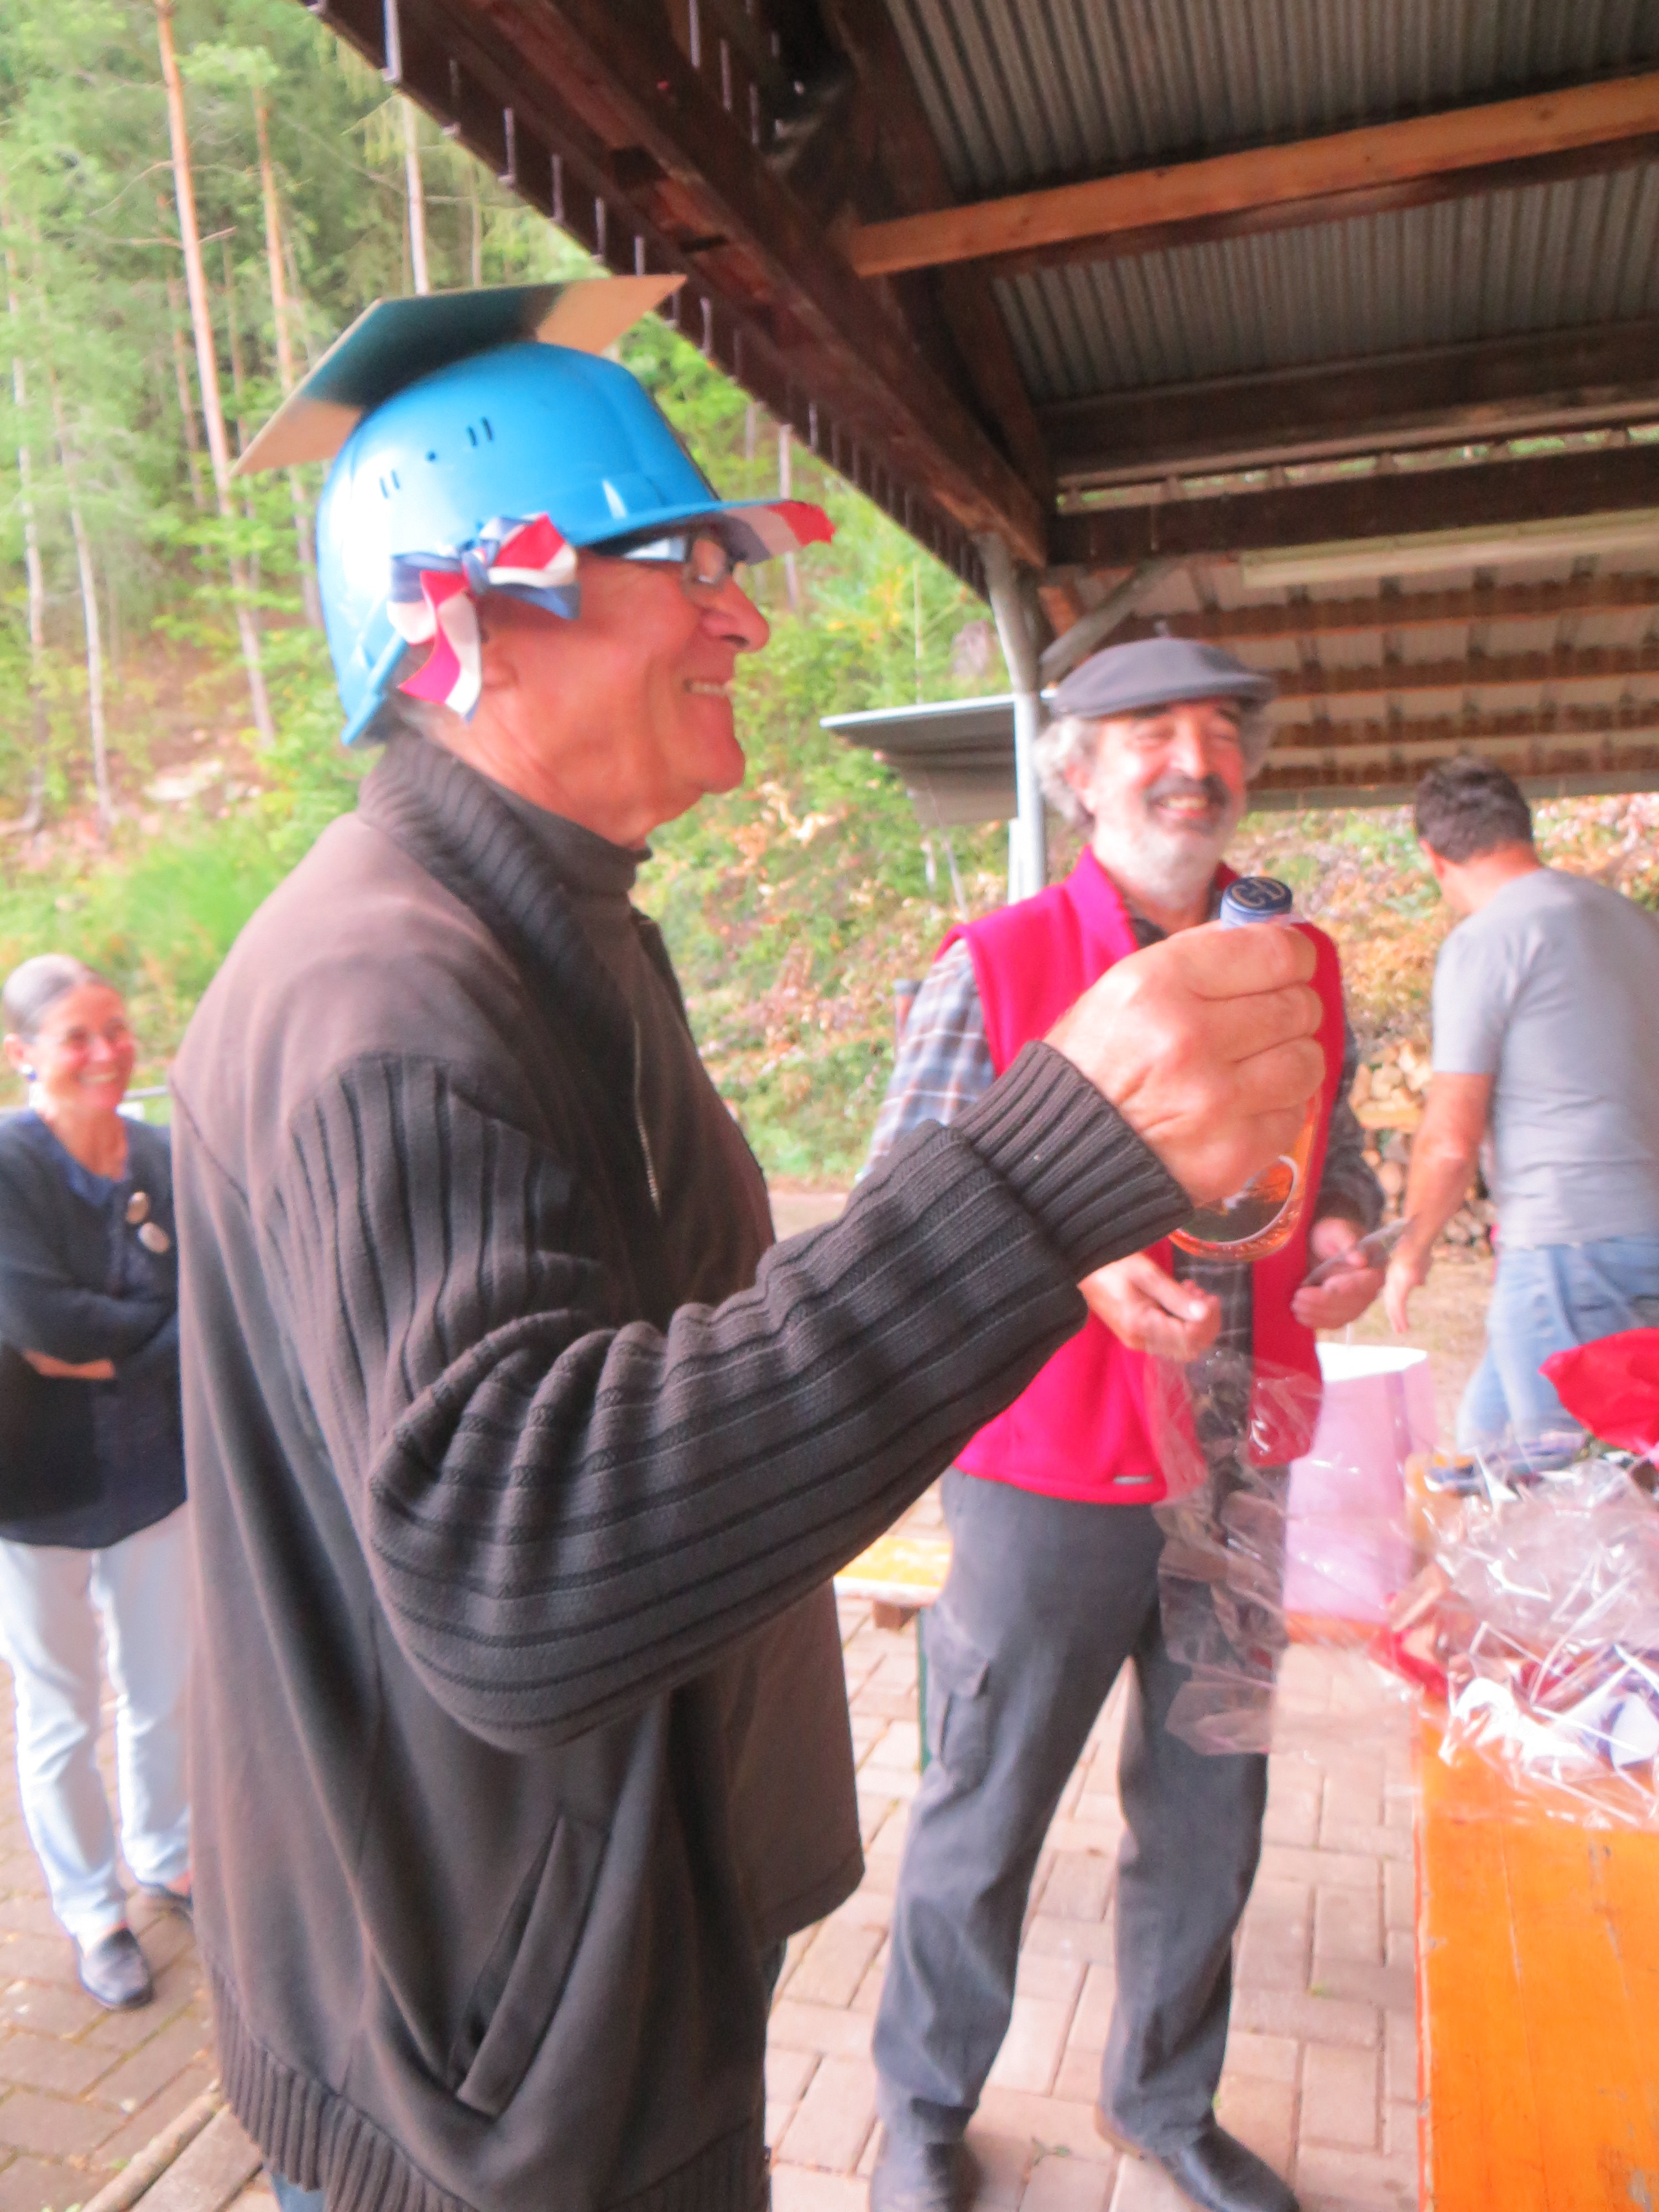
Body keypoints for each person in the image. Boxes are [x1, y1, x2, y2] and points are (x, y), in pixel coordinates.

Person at [171, 284, 1328, 2212]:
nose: (745, 618)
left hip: (585, 1979)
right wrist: (1038, 1182)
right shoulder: (385, 998)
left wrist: (1036, 1221)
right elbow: (517, 1556)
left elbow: (689, 1349)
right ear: (466, 619)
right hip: (486, 2084)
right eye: (683, 563)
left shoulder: (560, 935)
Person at [865, 637, 1386, 2212]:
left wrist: (1345, 1224)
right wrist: (1070, 1257)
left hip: (1238, 1458)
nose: (1193, 758)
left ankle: (1164, 2104)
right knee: (987, 1804)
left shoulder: (1295, 958)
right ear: (1077, 772)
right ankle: (921, 2114)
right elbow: (900, 1207)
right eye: (1148, 728)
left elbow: (1333, 1143)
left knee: (1212, 1804)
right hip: (1048, 1463)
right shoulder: (999, 962)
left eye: (1221, 729)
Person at [0, 956, 191, 2012]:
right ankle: (93, 1913)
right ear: (22, 1055)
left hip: (159, 1475)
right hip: (37, 1488)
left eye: (114, 1029)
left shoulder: (158, 1154)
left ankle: (168, 1854)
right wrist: (154, 1334)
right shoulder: (8, 1165)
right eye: (76, 1036)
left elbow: (211, 1294)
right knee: (61, 1714)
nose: (106, 1053)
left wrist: (108, 1352)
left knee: (164, 1691)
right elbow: (40, 1322)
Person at [1385, 755, 1659, 1449]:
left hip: (1568, 1248)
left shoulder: (1487, 940)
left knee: (1566, 1487)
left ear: (1434, 857)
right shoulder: (1634, 924)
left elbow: (1450, 1138)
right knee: (1487, 1447)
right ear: (1522, 829)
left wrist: (1410, 1249)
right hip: (1645, 1229)